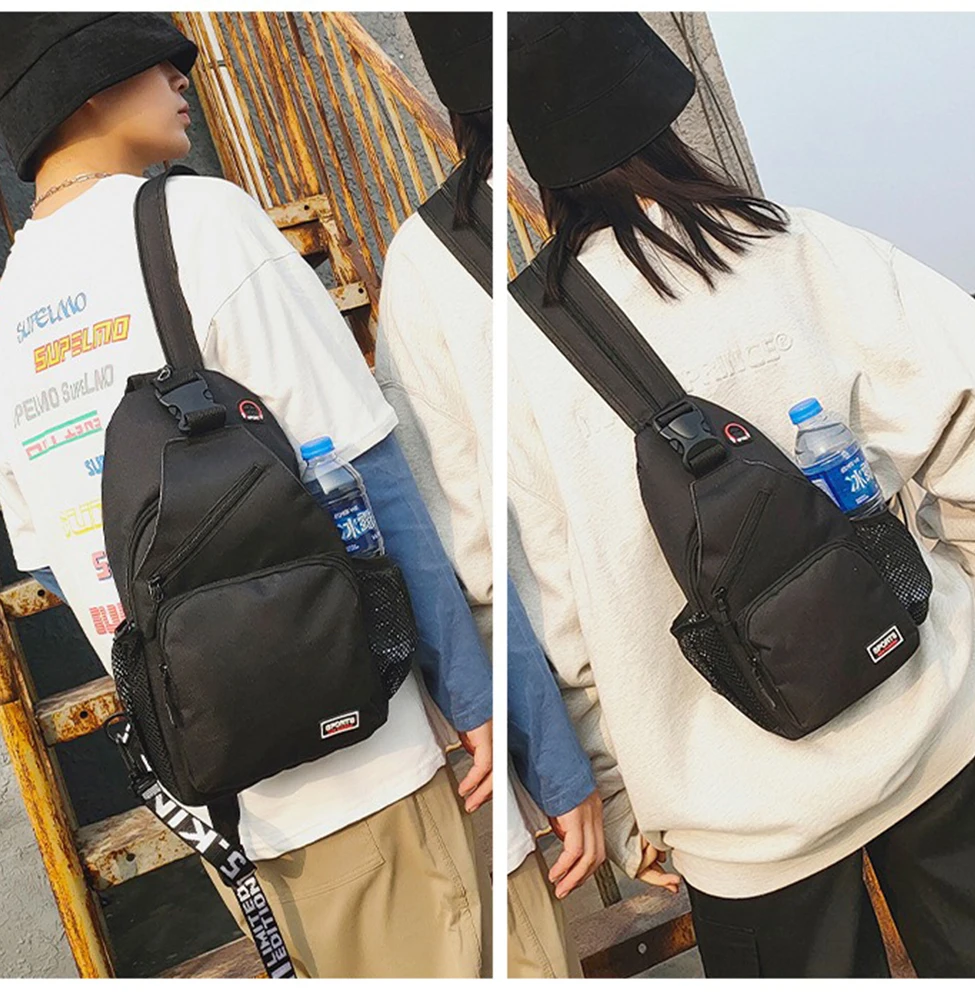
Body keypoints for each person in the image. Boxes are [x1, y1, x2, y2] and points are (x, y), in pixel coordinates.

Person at [507, 12, 975, 978]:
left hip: (737, 824)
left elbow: (559, 617)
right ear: (664, 114)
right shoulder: (789, 246)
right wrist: (959, 589)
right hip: (927, 727)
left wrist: (627, 796)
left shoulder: (522, 351)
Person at [0, 13, 493, 978]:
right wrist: (475, 696)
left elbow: (57, 559)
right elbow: (365, 481)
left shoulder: (12, 308)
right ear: (86, 89)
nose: (184, 77)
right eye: (156, 60)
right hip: (361, 760)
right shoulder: (197, 220)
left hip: (219, 803)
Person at [377, 12, 603, 979]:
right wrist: (574, 758)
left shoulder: (433, 256)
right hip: (644, 704)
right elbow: (476, 552)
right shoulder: (437, 260)